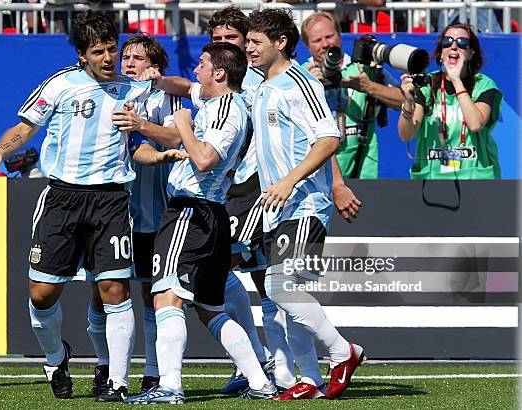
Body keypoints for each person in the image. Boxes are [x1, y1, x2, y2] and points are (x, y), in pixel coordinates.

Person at [0, 11, 185, 401]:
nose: (109, 58)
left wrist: (157, 156)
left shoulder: (132, 90)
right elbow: (25, 127)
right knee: (41, 295)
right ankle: (57, 356)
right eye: (98, 51)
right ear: (81, 54)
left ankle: (118, 382)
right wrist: (0, 151)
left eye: (112, 49)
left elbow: (134, 144)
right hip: (62, 198)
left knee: (114, 289)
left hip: (110, 200)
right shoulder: (59, 85)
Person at [125, 42, 278, 404]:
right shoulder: (218, 102)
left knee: (165, 296)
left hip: (191, 212)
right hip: (207, 214)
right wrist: (160, 81)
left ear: (220, 74)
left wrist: (183, 127)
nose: (196, 71)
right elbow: (183, 86)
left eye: (203, 65)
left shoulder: (229, 109)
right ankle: (259, 381)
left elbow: (205, 159)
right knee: (210, 309)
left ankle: (170, 386)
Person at [246, 9, 366, 400]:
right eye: (247, 41)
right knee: (291, 297)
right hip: (275, 207)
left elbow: (329, 139)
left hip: (305, 203)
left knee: (281, 288)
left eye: (255, 41)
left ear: (281, 43)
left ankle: (342, 351)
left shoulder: (300, 83)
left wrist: (288, 181)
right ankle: (310, 381)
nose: (248, 48)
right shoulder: (263, 85)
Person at [84, 35, 183, 398]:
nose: (128, 63)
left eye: (138, 58)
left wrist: (142, 123)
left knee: (151, 294)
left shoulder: (167, 97)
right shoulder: (108, 93)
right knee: (101, 292)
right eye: (125, 56)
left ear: (155, 65)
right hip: (110, 212)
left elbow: (175, 138)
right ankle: (104, 363)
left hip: (155, 215)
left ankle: (154, 372)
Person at [301, 11, 405, 179]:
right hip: (319, 178)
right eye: (317, 41)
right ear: (308, 46)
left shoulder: (362, 68)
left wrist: (369, 86)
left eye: (330, 36)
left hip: (363, 174)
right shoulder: (302, 74)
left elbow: (404, 101)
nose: (326, 44)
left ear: (340, 35)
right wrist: (308, 89)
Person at [398, 23, 502, 179]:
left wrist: (456, 80)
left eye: (462, 43)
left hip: (475, 178)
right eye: (447, 42)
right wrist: (408, 102)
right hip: (432, 178)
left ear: (471, 53)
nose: (454, 46)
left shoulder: (484, 85)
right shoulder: (427, 84)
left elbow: (475, 124)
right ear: (441, 53)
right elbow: (407, 135)